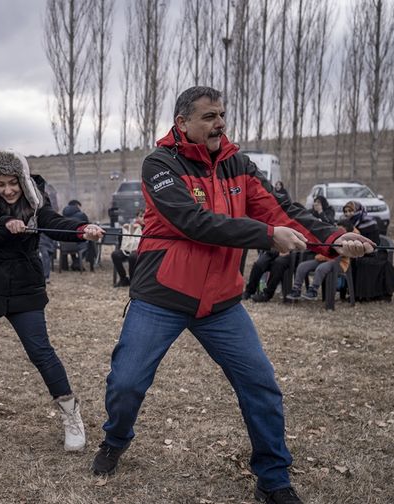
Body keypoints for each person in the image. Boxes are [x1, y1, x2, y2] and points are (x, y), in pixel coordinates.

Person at [91, 86, 373, 504]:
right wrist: (266, 235)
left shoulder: (237, 164)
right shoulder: (159, 164)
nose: (219, 123)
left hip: (220, 303)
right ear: (183, 122)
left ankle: (273, 479)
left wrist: (333, 238)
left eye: (221, 115)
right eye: (209, 116)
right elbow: (193, 222)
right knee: (127, 384)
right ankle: (115, 439)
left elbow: (280, 209)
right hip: (161, 296)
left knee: (260, 384)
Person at [0, 149, 103, 451]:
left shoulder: (36, 202)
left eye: (13, 183)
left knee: (40, 352)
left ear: (23, 180)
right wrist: (6, 224)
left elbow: (56, 223)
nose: (7, 190)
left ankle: (71, 416)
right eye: (1, 184)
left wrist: (83, 230)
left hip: (24, 287)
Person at [342, 200, 394, 302]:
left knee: (362, 262)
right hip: (357, 252)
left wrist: (363, 249)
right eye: (345, 211)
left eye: (350, 211)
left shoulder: (368, 222)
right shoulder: (348, 224)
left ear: (358, 210)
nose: (348, 214)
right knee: (353, 261)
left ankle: (364, 295)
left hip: (374, 252)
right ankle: (354, 293)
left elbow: (374, 242)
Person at [111, 209, 143, 287]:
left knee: (133, 256)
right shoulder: (132, 226)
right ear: (137, 217)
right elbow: (122, 239)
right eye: (141, 216)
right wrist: (126, 230)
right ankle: (123, 278)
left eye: (145, 216)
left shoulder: (148, 227)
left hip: (141, 250)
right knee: (115, 254)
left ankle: (132, 280)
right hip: (128, 249)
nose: (143, 218)